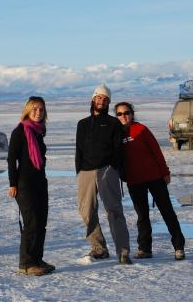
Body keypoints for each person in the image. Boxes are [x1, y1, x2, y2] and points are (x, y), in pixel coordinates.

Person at [115, 102, 185, 261]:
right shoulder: (116, 133)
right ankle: (145, 249)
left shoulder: (142, 129)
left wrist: (165, 172)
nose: (123, 116)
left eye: (126, 112)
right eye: (119, 114)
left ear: (132, 114)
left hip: (154, 177)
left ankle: (179, 246)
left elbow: (156, 151)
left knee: (167, 211)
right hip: (134, 180)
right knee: (142, 215)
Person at [75, 84, 131, 264]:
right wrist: (80, 172)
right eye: (99, 98)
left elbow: (118, 150)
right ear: (93, 99)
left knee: (114, 210)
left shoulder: (114, 123)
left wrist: (115, 169)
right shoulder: (82, 124)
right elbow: (79, 150)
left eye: (105, 99)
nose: (102, 101)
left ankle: (123, 251)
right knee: (87, 211)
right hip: (86, 171)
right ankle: (99, 248)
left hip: (107, 169)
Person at [8, 96, 55, 276]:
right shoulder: (20, 131)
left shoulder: (38, 131)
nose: (38, 112)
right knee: (31, 223)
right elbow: (12, 160)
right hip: (24, 184)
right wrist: (12, 184)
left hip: (40, 182)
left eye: (41, 109)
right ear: (28, 110)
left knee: (41, 222)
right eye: (34, 109)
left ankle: (37, 259)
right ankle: (26, 264)